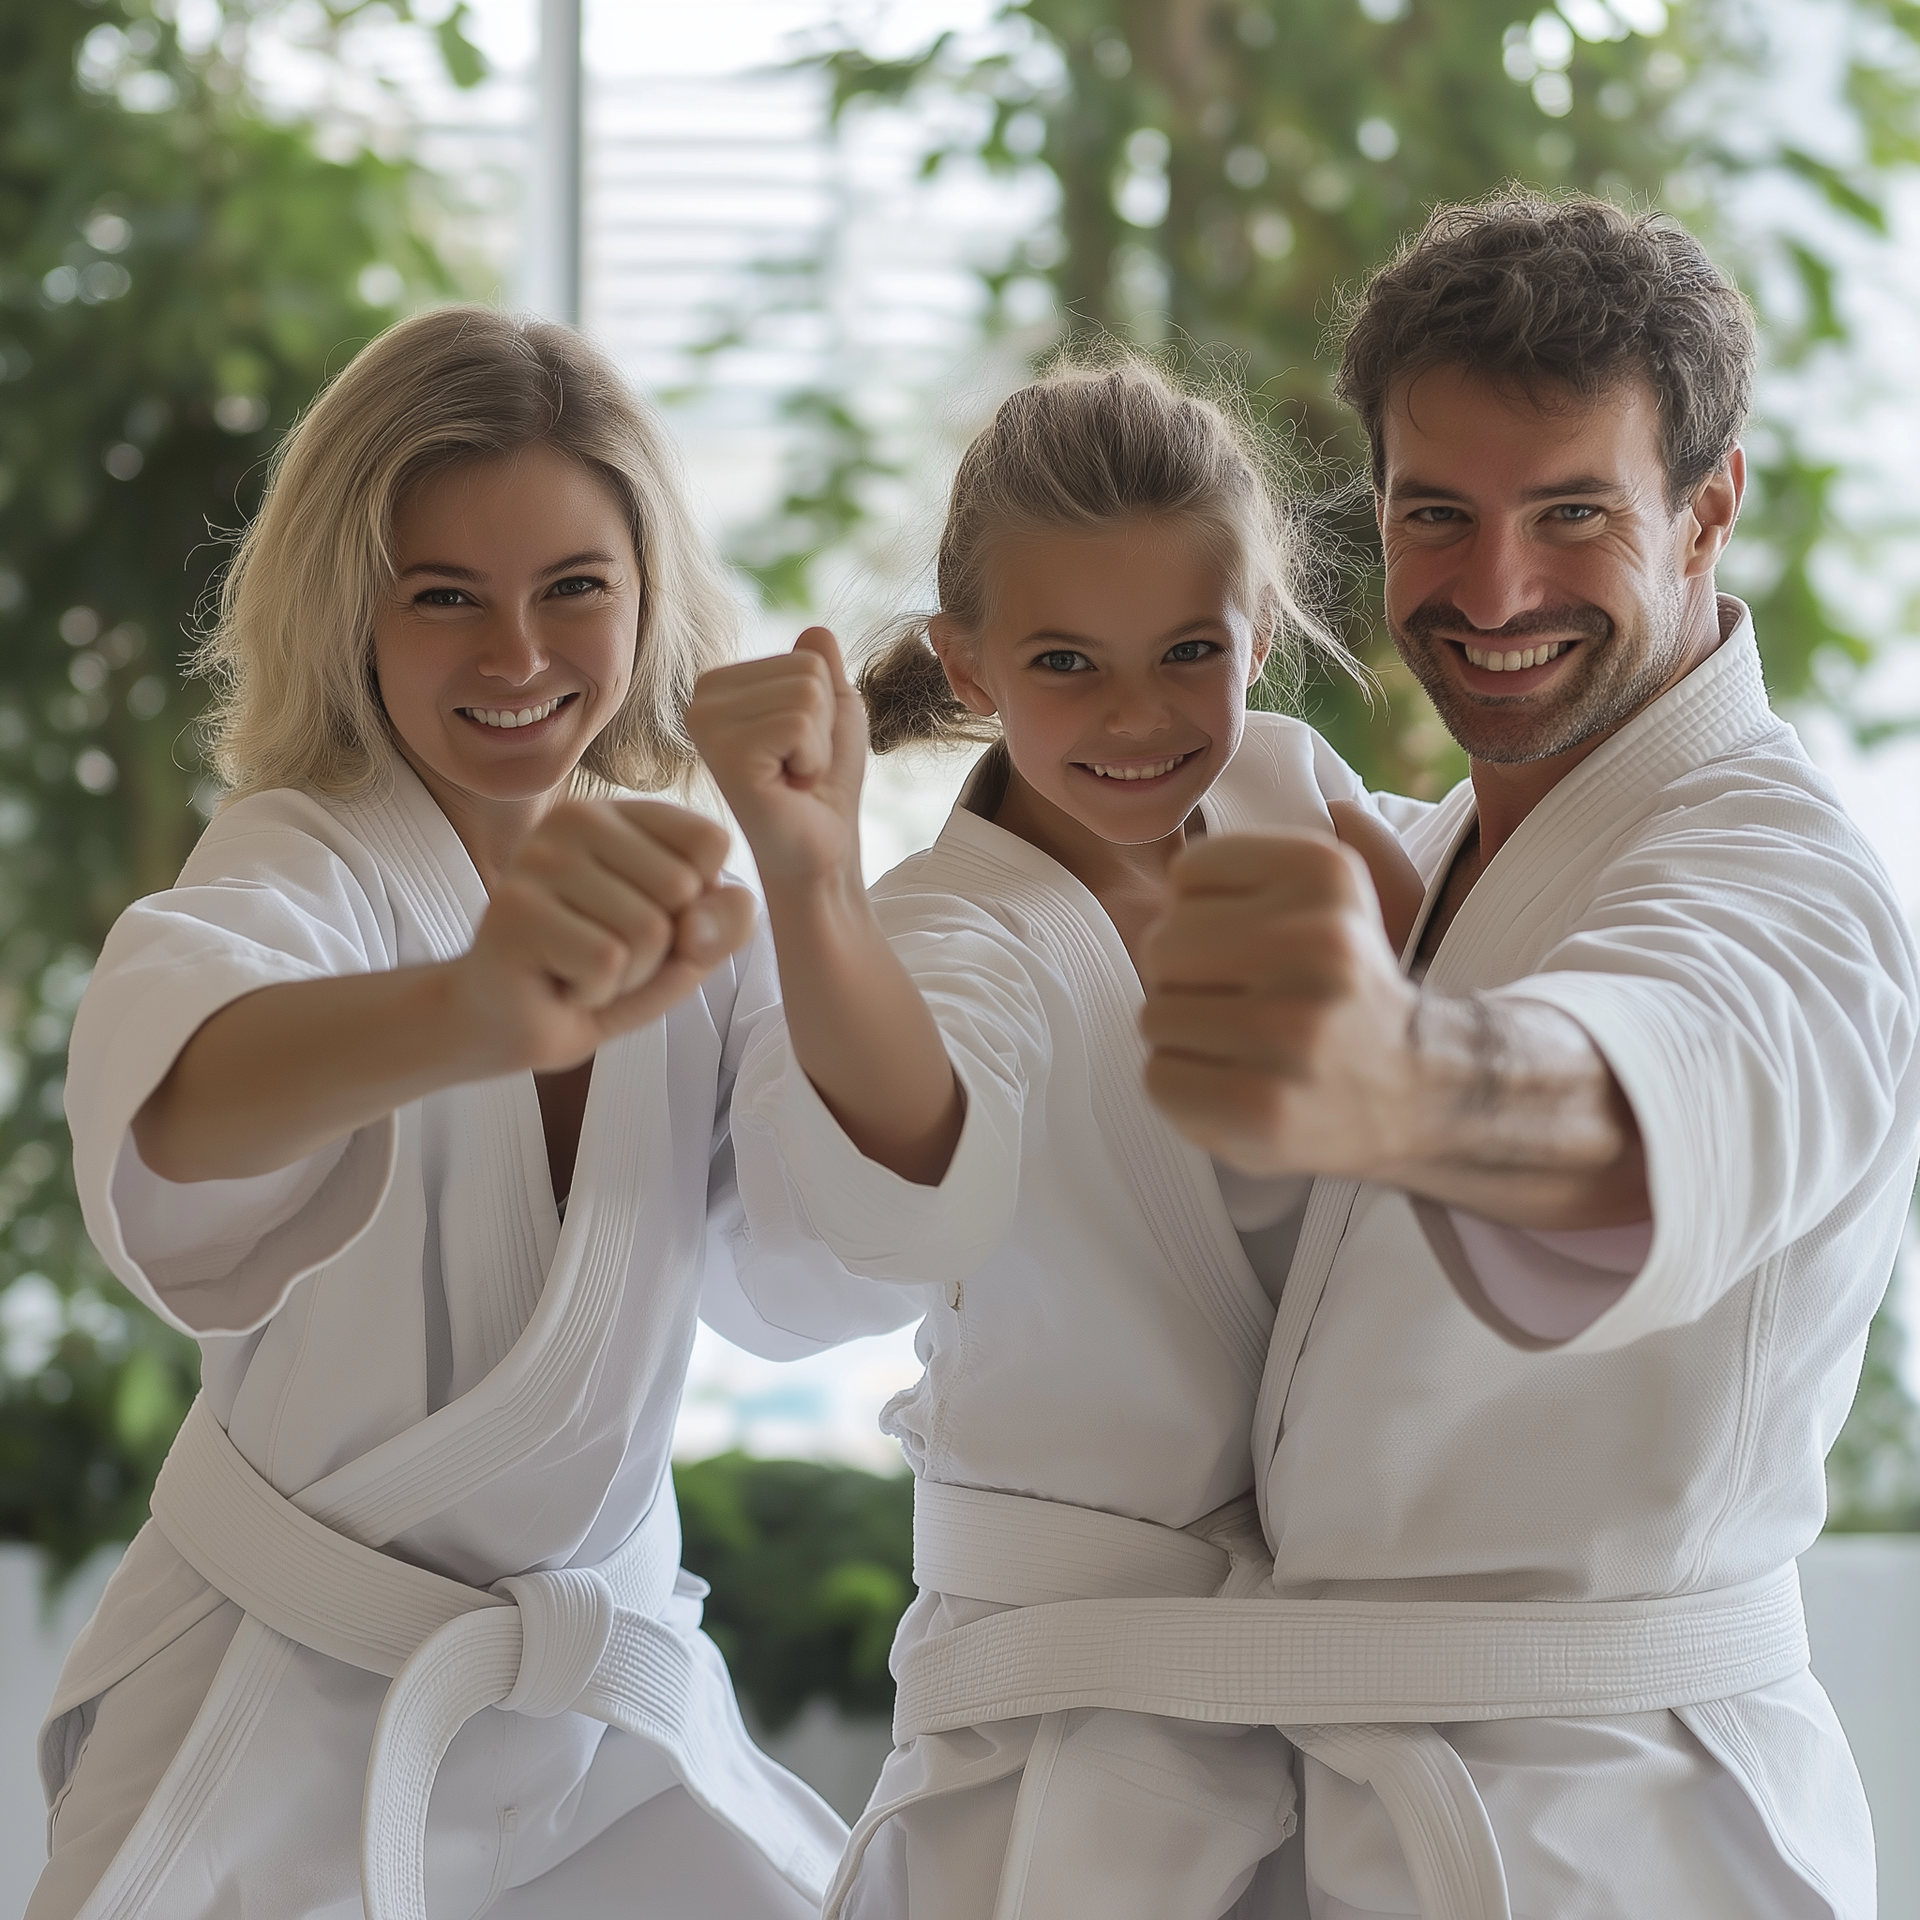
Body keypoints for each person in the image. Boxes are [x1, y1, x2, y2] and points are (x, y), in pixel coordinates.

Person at [908, 198, 1920, 1917]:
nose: (1495, 588)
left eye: (1573, 514)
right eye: (1435, 514)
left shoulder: (1783, 883)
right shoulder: (1438, 850)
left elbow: (1661, 1077)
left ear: (1709, 509)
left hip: (1608, 1840)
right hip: (1324, 1806)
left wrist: (1408, 1087)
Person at [33, 306, 874, 1920]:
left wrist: (820, 874)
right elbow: (179, 1117)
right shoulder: (304, 862)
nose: (517, 657)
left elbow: (831, 1260)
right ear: (352, 614)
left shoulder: (704, 904)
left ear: (646, 603)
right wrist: (470, 1008)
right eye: (445, 599)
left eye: (576, 590)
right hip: (278, 1717)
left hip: (598, 1732)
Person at [688, 357, 1423, 1920]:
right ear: (969, 664)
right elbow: (908, 1206)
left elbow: (1445, 1013)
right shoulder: (951, 936)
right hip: (1054, 1734)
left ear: (1262, 636)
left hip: (1334, 1694)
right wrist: (814, 886)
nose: (1141, 717)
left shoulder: (1293, 793)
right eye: (1067, 662)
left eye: (1190, 653)